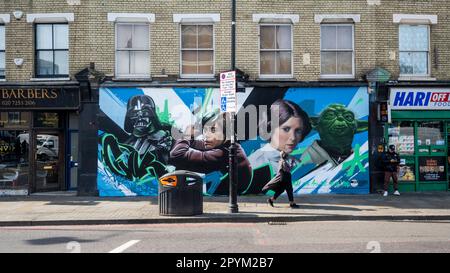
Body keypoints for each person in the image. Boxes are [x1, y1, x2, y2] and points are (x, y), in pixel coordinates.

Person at [169, 110, 252, 195]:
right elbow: (198, 145)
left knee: (182, 170)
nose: (206, 135)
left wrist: (186, 136)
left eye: (213, 130)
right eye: (205, 130)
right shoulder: (229, 144)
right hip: (227, 185)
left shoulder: (224, 153)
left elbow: (177, 155)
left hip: (227, 193)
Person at [248, 99, 312, 171]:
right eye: (286, 129)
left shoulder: (295, 163)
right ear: (270, 128)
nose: (293, 138)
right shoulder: (255, 164)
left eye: (298, 131)